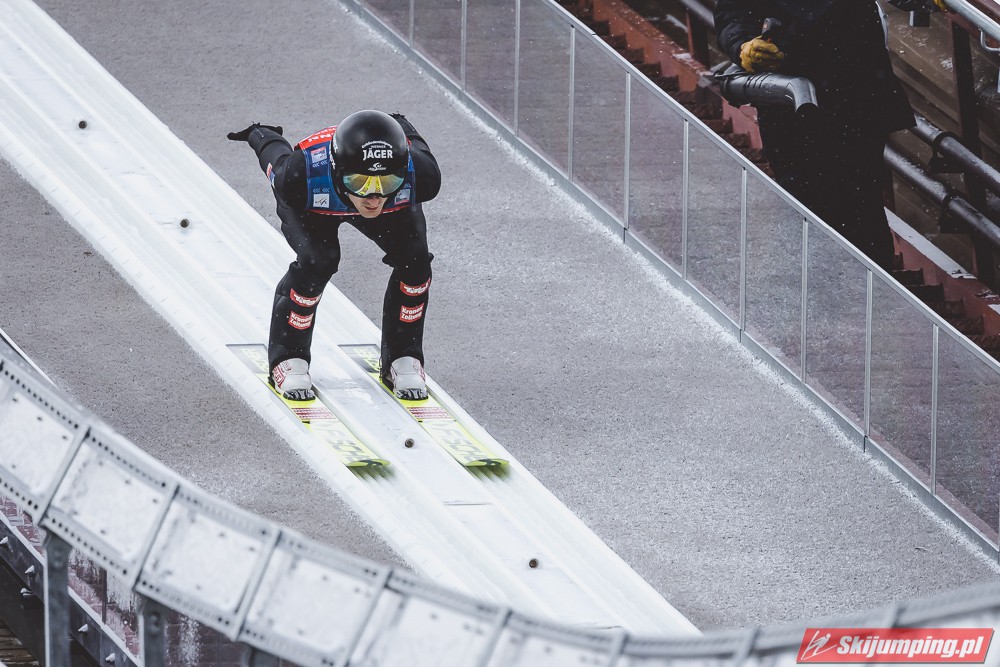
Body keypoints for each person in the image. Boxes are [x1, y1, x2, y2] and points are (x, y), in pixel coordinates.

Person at [228, 110, 441, 401]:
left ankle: (404, 355)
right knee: (317, 262)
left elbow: (412, 140)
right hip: (313, 206)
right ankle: (288, 356)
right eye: (360, 182)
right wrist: (261, 134)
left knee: (416, 263)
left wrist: (400, 124)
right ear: (337, 171)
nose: (373, 197)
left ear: (402, 171)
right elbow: (275, 159)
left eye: (387, 182)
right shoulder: (299, 175)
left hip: (388, 206)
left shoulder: (423, 175)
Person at [713, 0, 940, 271]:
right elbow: (733, 13)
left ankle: (867, 284)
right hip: (793, 99)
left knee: (860, 203)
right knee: (808, 201)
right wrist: (742, 46)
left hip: (855, 91)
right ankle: (826, 283)